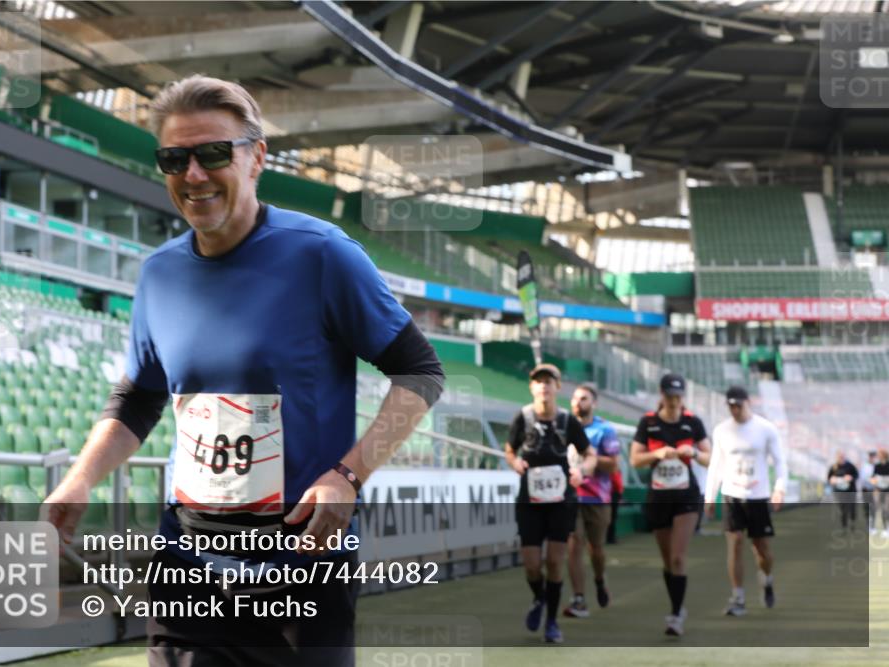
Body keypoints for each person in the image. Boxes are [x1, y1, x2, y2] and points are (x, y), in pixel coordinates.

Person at [43, 75, 444, 667]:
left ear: (256, 157)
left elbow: (419, 371)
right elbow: (139, 395)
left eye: (212, 153)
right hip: (188, 558)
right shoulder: (158, 275)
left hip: (300, 560)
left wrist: (348, 476)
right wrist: (80, 477)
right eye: (174, 158)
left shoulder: (323, 255)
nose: (194, 174)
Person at [505, 364, 597, 645]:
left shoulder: (568, 422)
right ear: (532, 387)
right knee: (532, 565)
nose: (543, 386)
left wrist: (583, 471)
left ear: (558, 387)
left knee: (555, 562)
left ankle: (552, 622)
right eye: (538, 382)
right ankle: (538, 598)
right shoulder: (523, 417)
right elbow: (510, 449)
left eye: (549, 381)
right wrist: (515, 462)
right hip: (530, 501)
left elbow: (589, 453)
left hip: (561, 502)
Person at [629, 373, 711, 637]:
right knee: (667, 561)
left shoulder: (693, 423)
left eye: (678, 396)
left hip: (686, 497)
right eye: (670, 395)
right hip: (658, 497)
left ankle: (676, 614)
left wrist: (695, 453)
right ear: (661, 395)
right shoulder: (648, 423)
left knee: (678, 557)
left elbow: (711, 458)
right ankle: (676, 603)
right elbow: (634, 459)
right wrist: (657, 454)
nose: (674, 401)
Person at [704, 386, 788, 617]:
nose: (735, 410)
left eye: (738, 405)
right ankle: (738, 597)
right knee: (736, 542)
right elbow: (716, 465)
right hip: (732, 494)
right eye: (730, 406)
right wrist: (710, 497)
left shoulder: (765, 429)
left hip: (758, 495)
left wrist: (779, 488)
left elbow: (780, 461)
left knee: (761, 549)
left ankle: (767, 579)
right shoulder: (722, 431)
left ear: (747, 403)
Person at [563, 383, 619, 618]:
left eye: (584, 398)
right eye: (575, 398)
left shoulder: (604, 430)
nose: (578, 402)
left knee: (596, 549)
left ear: (593, 403)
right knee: (574, 545)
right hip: (570, 496)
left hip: (597, 497)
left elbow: (614, 464)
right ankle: (578, 599)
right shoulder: (562, 426)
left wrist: (591, 461)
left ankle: (599, 578)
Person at [828, 451, 860, 531]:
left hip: (851, 491)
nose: (841, 458)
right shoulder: (833, 467)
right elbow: (829, 478)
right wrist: (832, 480)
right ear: (837, 457)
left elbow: (856, 475)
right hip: (839, 492)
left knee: (852, 509)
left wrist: (851, 478)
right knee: (842, 510)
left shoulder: (850, 466)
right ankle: (844, 527)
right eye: (839, 456)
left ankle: (853, 524)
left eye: (842, 456)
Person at [871, 449, 889, 537]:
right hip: (878, 490)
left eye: (880, 454)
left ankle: (886, 529)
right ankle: (873, 528)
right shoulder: (877, 466)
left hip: (887, 491)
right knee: (874, 508)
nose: (878, 456)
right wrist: (874, 482)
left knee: (886, 510)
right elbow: (873, 477)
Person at [861, 450, 878, 535]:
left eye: (874, 457)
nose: (873, 458)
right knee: (867, 508)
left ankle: (873, 526)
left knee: (874, 509)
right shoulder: (865, 466)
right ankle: (868, 525)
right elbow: (864, 479)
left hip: (875, 490)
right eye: (872, 457)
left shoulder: (876, 466)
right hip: (866, 489)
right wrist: (872, 480)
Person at [606, 468, 624, 545]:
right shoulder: (613, 469)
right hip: (612, 494)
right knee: (612, 517)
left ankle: (610, 537)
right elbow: (617, 483)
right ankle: (610, 538)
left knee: (611, 517)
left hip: (611, 494)